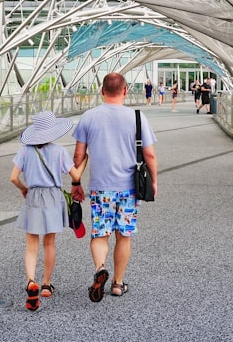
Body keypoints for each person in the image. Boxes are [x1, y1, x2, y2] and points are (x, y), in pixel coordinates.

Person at [73, 72, 157, 302]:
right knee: (123, 235)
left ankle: (100, 267)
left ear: (102, 91)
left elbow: (79, 154)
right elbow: (149, 153)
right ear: (125, 91)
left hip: (101, 188)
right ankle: (118, 283)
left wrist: (76, 182)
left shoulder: (89, 117)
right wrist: (154, 181)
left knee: (100, 233)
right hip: (129, 187)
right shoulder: (137, 117)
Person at [11, 111, 87, 311]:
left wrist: (23, 188)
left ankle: (30, 282)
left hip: (34, 195)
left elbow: (13, 177)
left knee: (31, 245)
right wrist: (85, 159)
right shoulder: (59, 151)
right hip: (53, 197)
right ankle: (45, 284)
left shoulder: (26, 151)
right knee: (49, 242)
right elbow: (76, 174)